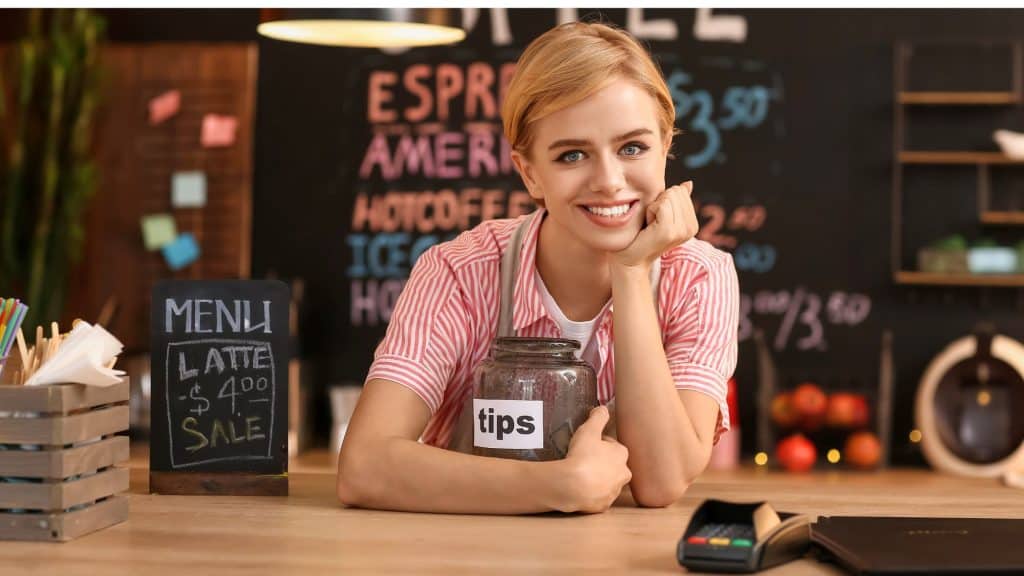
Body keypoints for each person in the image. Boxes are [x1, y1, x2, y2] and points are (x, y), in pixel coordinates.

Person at [337, 20, 739, 515]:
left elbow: (662, 480)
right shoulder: (459, 272)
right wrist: (560, 487)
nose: (610, 182)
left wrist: (632, 273)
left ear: (665, 147)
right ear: (530, 172)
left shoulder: (700, 277)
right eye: (572, 155)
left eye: (632, 148)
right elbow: (364, 467)